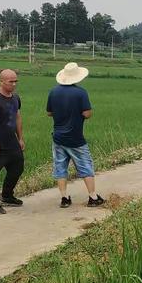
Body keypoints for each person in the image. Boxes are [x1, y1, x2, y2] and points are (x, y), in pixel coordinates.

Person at [46, 62, 104, 208]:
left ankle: (64, 198)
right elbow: (87, 113)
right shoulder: (81, 93)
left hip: (58, 137)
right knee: (85, 166)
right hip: (76, 138)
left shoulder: (53, 92)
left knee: (60, 167)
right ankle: (93, 197)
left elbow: (49, 113)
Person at [0, 69, 25, 214]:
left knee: (18, 167)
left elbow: (18, 117)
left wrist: (20, 138)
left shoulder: (15, 98)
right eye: (11, 81)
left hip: (12, 142)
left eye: (16, 81)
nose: (14, 84)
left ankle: (7, 196)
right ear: (2, 81)